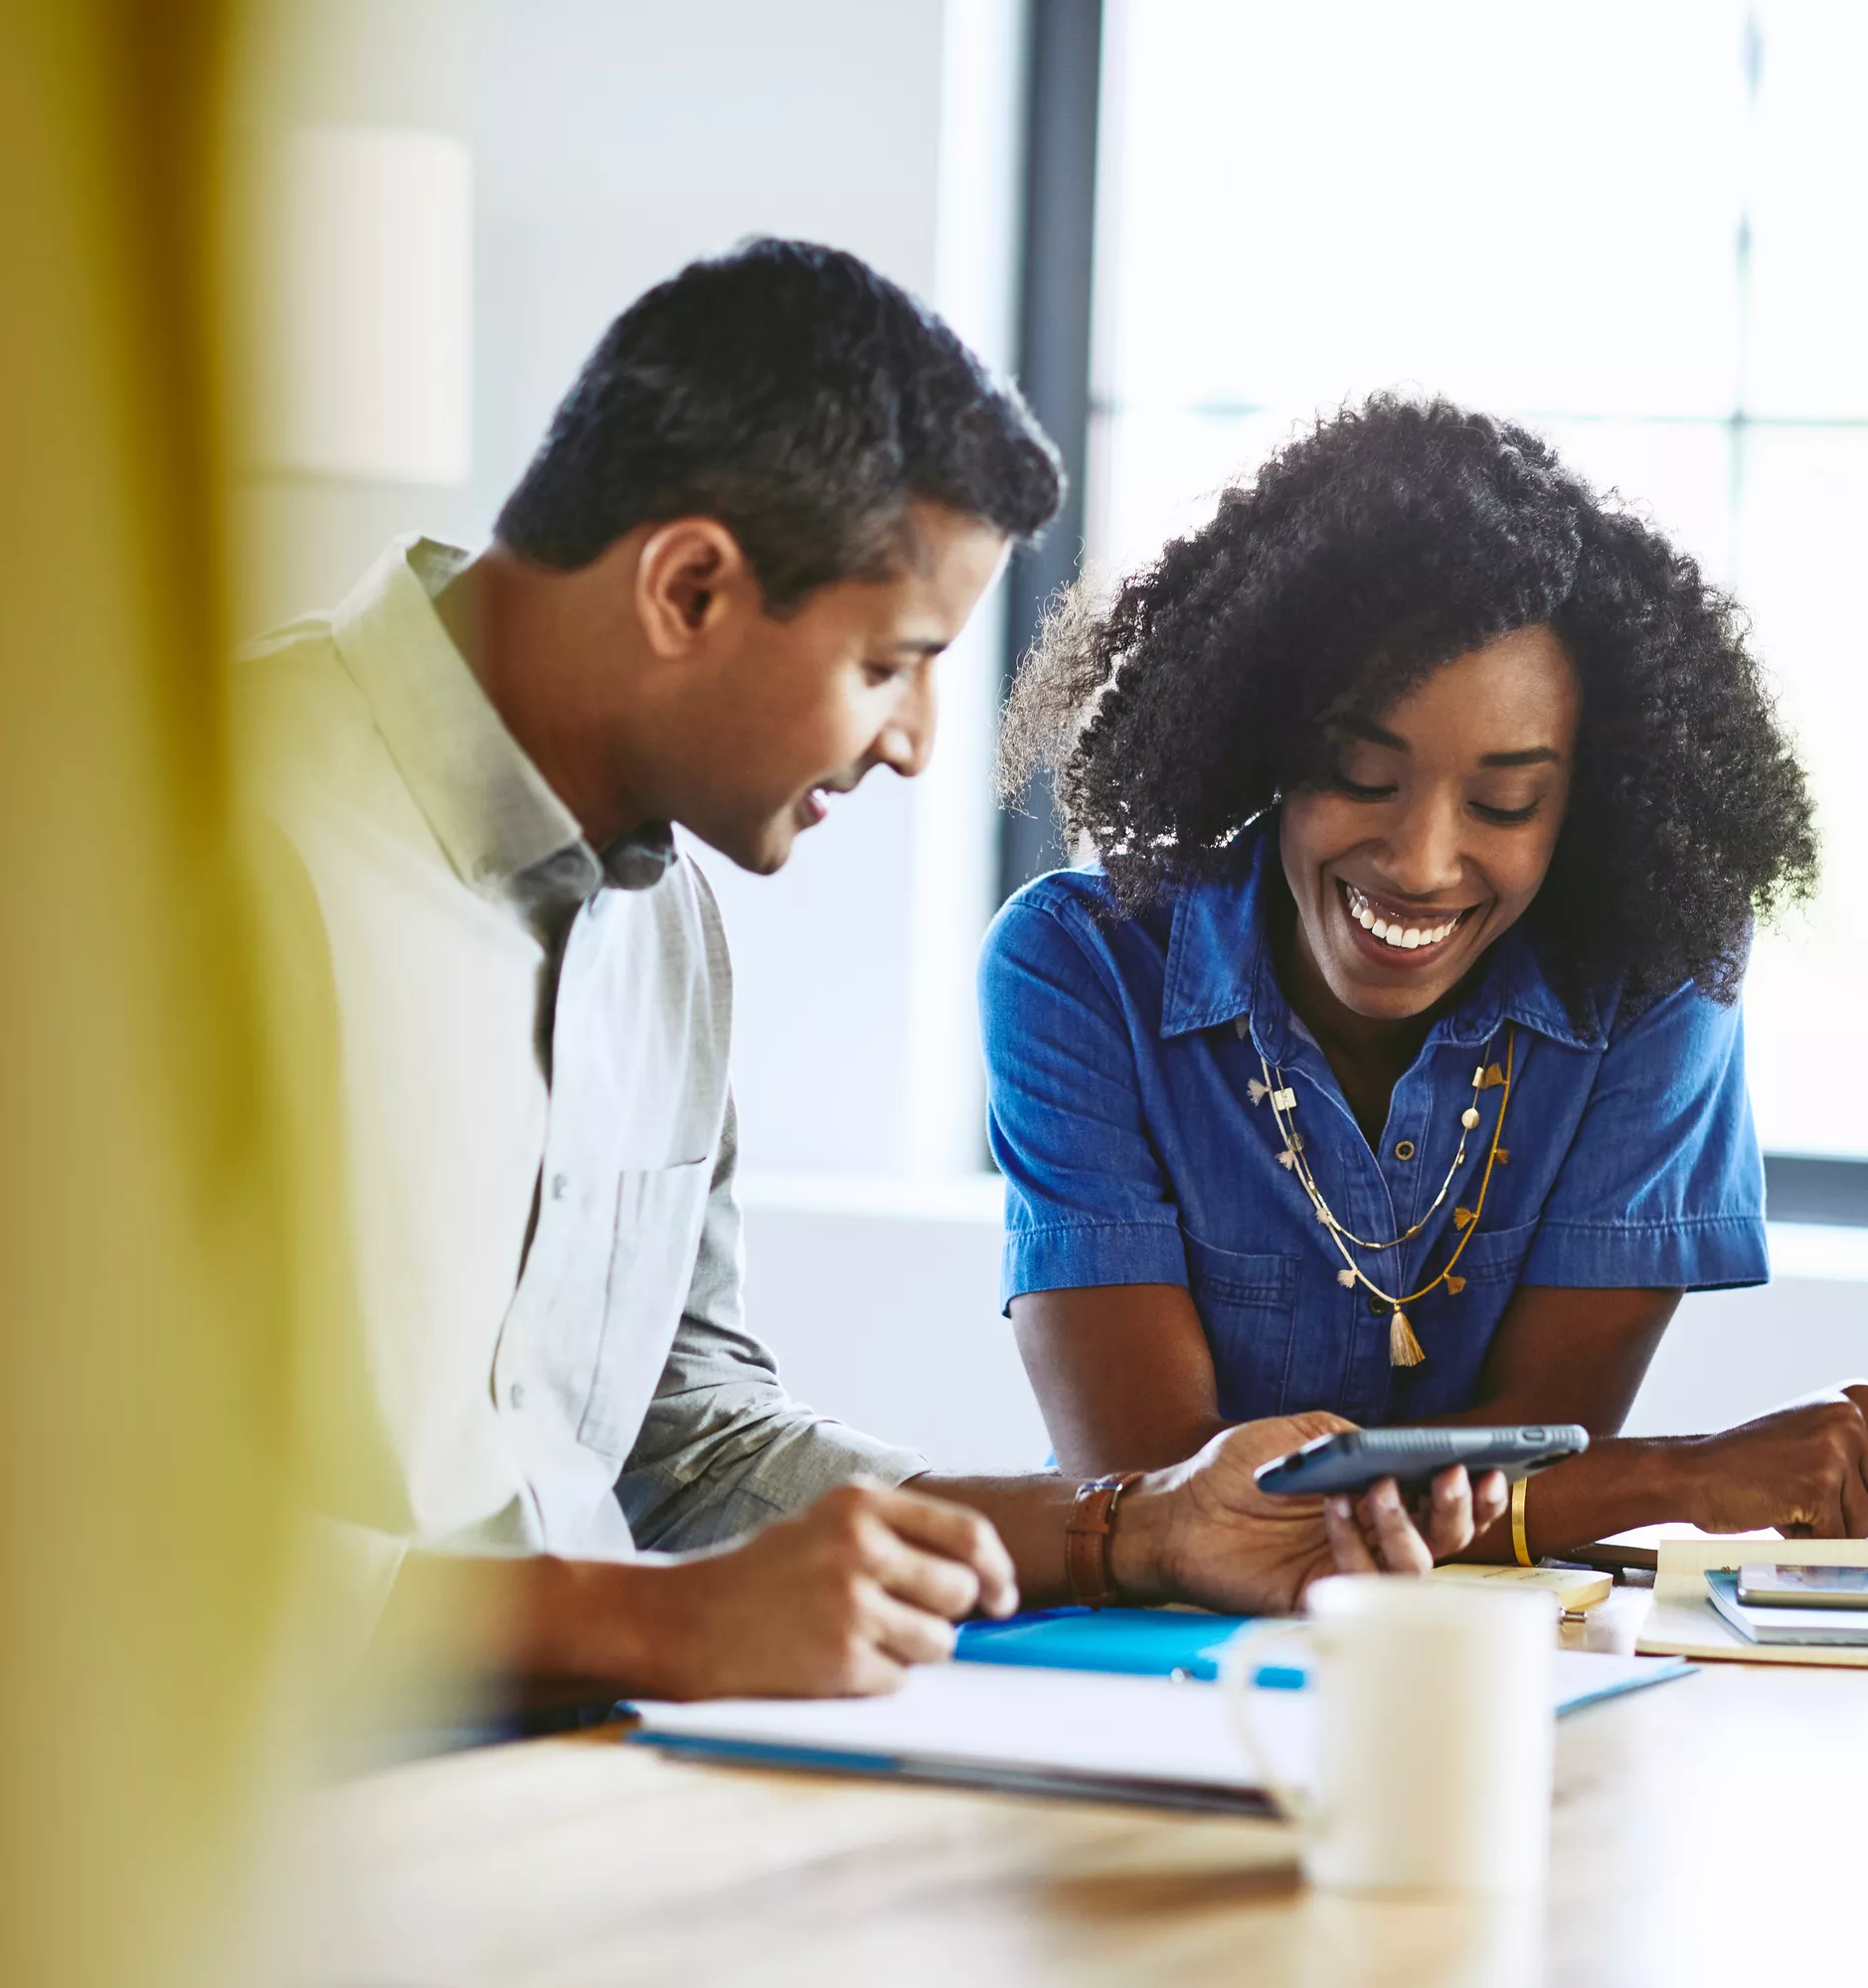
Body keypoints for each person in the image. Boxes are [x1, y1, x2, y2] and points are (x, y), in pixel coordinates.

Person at [244, 243, 1493, 1712]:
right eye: (892, 663)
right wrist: (656, 1630)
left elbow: (682, 1441)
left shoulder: (662, 925)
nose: (913, 741)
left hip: (587, 1812)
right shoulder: (165, 836)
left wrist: (1136, 1528)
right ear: (690, 587)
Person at [984, 396, 1868, 1559]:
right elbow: (1173, 1502)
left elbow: (1539, 1450)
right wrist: (1682, 1476)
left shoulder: (1652, 983)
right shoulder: (1081, 965)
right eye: (1359, 773)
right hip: (1136, 1665)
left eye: (1505, 803)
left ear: (1585, 801)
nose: (1420, 861)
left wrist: (1598, 1481)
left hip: (1496, 1653)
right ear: (1264, 745)